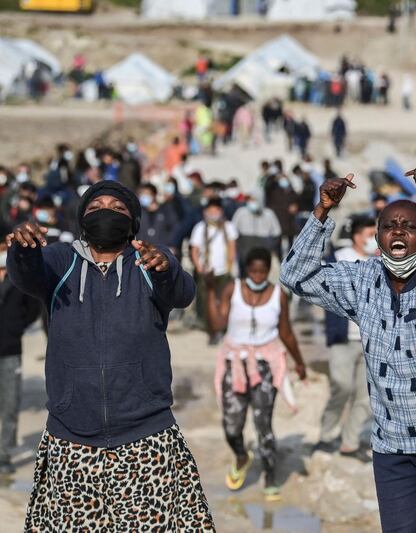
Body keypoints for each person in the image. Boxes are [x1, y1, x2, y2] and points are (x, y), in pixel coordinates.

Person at [6, 180, 213, 530]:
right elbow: (25, 274)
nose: (106, 211)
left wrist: (168, 267)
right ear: (82, 219)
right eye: (96, 206)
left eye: (117, 209)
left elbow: (182, 293)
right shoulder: (60, 260)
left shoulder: (149, 260)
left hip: (146, 440)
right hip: (72, 442)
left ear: (133, 223)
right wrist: (22, 249)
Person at [280, 166, 416, 532]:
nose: (398, 231)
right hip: (391, 450)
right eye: (389, 226)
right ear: (379, 236)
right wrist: (321, 213)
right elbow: (294, 276)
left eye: (410, 227)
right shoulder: (361, 279)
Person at [206, 247, 306, 500]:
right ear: (246, 270)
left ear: (268, 270)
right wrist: (209, 291)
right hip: (234, 362)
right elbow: (217, 325)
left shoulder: (277, 295)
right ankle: (242, 456)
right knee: (231, 425)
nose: (259, 276)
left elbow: (286, 332)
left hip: (265, 365)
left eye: (263, 271)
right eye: (254, 271)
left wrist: (299, 363)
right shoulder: (233, 289)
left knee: (263, 424)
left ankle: (270, 475)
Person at [315, 216, 377, 460]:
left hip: (372, 340)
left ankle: (350, 442)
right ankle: (326, 436)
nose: (373, 239)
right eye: (370, 234)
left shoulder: (382, 262)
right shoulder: (339, 258)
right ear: (357, 235)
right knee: (341, 386)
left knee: (366, 396)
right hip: (344, 336)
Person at [0, 239, 39, 475]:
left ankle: (3, 453)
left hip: (11, 350)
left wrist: (17, 327)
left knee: (10, 404)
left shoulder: (18, 278)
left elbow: (33, 308)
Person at [190, 197, 239, 344]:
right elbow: (195, 249)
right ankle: (211, 330)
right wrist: (199, 267)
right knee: (207, 302)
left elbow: (232, 246)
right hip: (207, 271)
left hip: (224, 271)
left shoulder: (228, 227)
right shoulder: (200, 228)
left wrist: (231, 266)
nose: (213, 213)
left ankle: (223, 328)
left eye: (216, 209)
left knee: (224, 300)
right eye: (210, 210)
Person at [232, 195, 282, 272]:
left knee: (261, 269)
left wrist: (270, 244)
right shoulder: (241, 212)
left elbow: (277, 231)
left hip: (263, 245)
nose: (252, 203)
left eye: (255, 200)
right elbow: (233, 228)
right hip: (245, 245)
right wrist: (239, 243)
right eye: (250, 200)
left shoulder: (268, 213)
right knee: (245, 269)